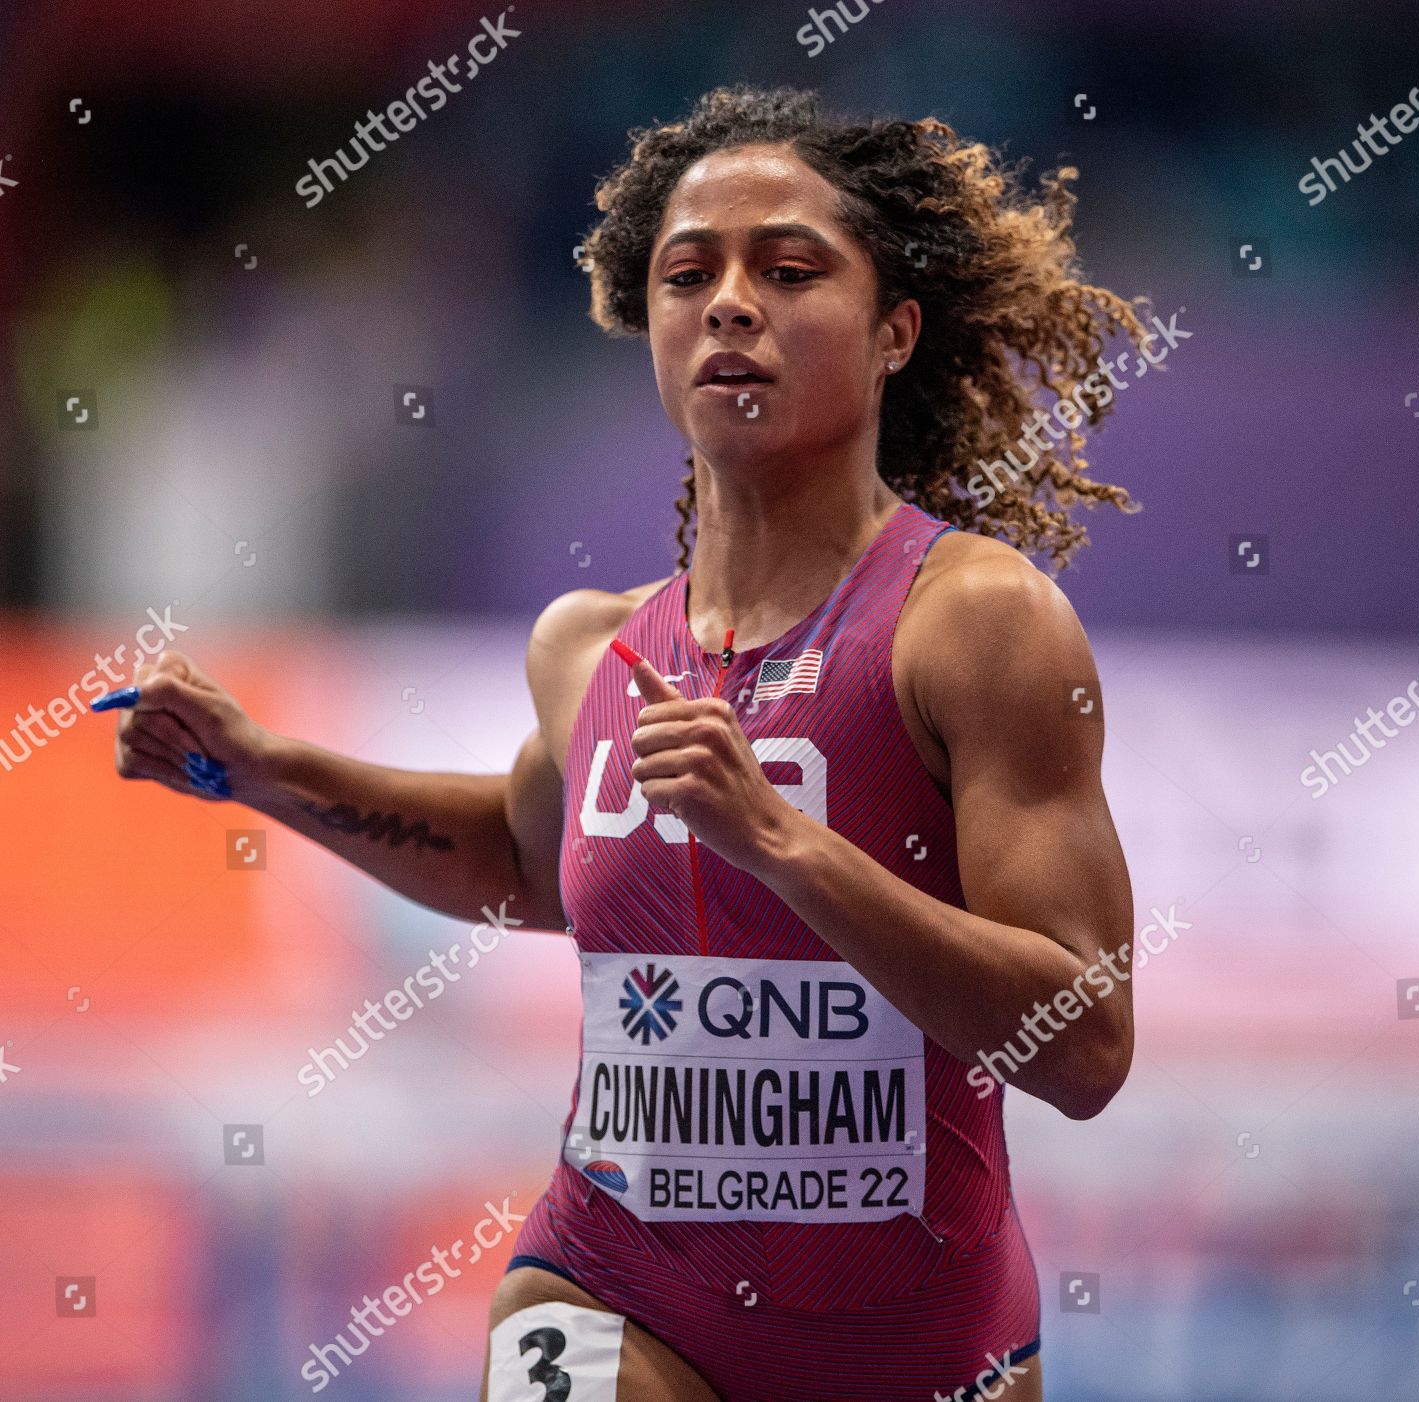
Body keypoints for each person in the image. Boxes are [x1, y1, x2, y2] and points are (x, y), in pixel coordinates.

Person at [111, 84, 1145, 1402]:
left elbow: (1086, 1044)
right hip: (615, 1282)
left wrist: (782, 845)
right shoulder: (591, 650)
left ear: (895, 333)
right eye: (687, 272)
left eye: (788, 269)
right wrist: (268, 770)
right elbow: (525, 861)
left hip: (919, 1339)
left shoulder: (980, 626)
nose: (729, 302)